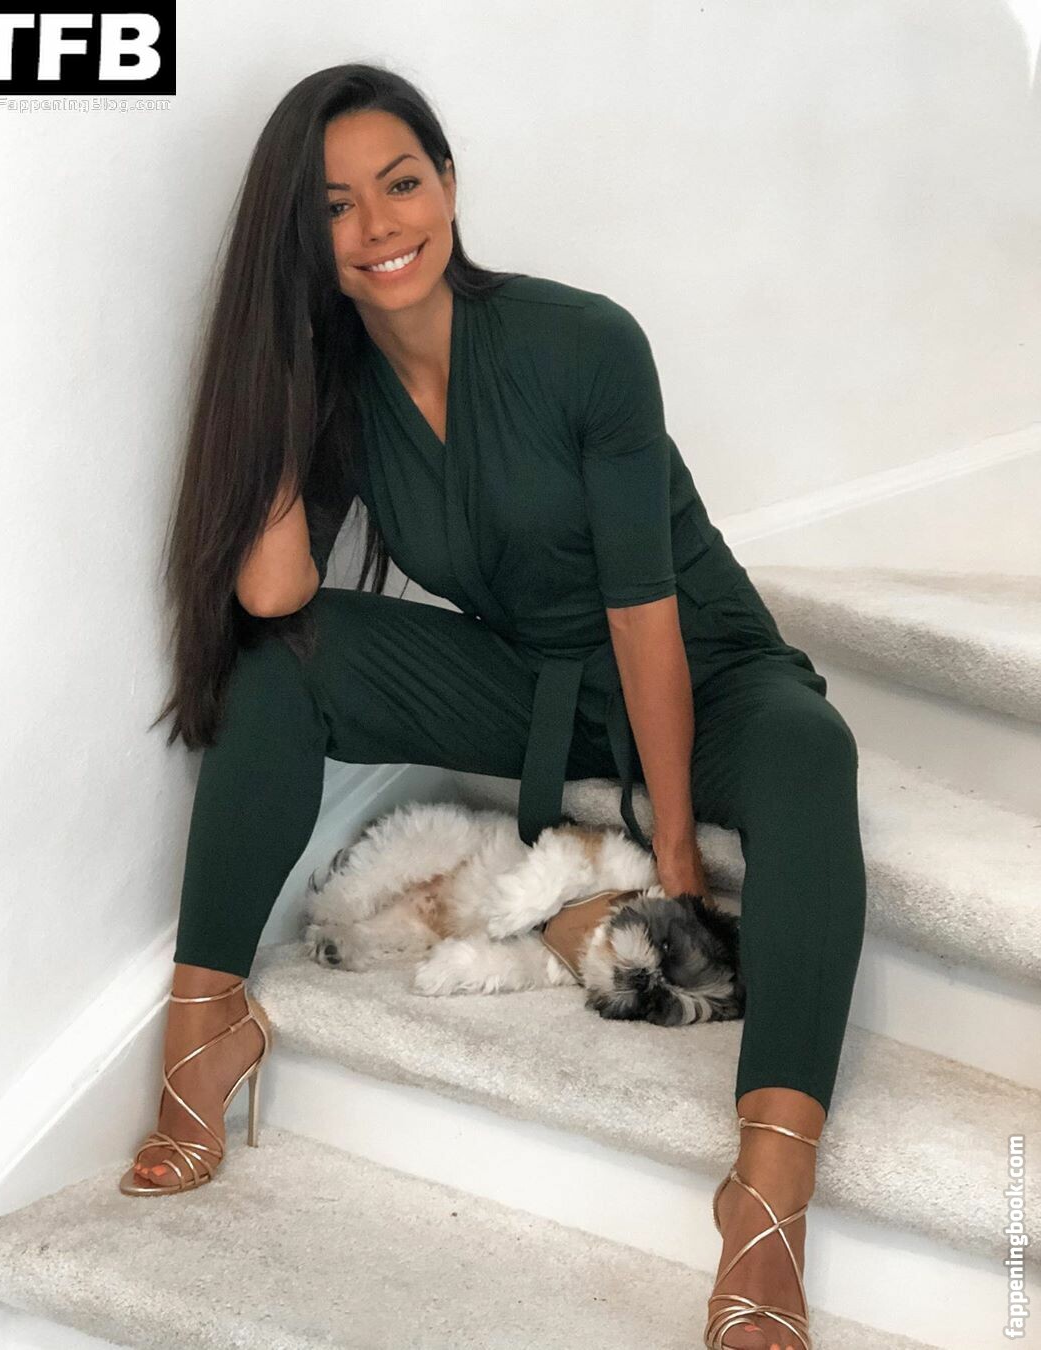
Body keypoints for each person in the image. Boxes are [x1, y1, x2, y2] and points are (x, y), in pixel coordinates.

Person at [121, 63, 867, 1350]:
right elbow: (275, 588)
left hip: (705, 670)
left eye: (401, 183)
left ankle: (766, 1201)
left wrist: (675, 850)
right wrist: (283, 364)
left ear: (450, 184)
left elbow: (644, 614)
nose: (379, 225)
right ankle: (208, 1025)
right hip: (536, 688)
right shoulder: (340, 386)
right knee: (283, 659)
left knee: (812, 755)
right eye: (335, 208)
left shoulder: (585, 344)